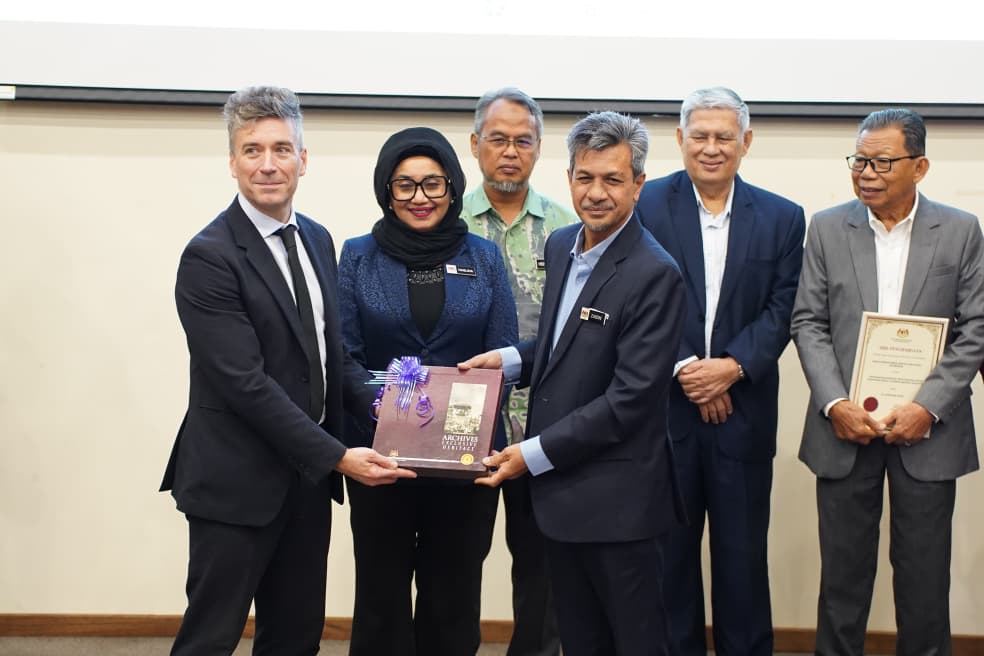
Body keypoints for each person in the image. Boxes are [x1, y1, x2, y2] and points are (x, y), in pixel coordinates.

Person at [160, 86, 415, 656]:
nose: (268, 164)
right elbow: (245, 385)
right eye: (252, 150)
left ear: (303, 158)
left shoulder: (317, 239)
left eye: (281, 149)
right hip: (236, 483)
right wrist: (338, 456)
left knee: (296, 637)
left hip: (305, 483)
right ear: (232, 162)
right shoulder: (209, 256)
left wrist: (396, 413)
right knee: (210, 638)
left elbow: (331, 356)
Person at [460, 111, 687, 656]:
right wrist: (509, 361)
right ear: (568, 178)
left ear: (638, 184)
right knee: (580, 642)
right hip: (561, 500)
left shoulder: (655, 273)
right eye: (585, 177)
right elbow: (566, 345)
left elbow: (629, 400)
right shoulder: (562, 244)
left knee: (635, 644)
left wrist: (531, 453)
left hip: (619, 507)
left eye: (613, 180)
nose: (596, 193)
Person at [791, 108, 984, 655]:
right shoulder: (828, 227)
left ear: (919, 167)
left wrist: (928, 406)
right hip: (845, 429)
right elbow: (808, 322)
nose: (866, 173)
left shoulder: (961, 230)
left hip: (929, 432)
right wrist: (835, 402)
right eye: (859, 161)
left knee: (924, 581)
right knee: (842, 580)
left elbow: (976, 328)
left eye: (881, 162)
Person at [634, 87, 805, 656]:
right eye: (700, 136)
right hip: (665, 417)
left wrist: (731, 368)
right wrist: (689, 369)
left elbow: (784, 307)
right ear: (680, 139)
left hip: (743, 417)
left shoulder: (782, 217)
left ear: (746, 142)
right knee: (668, 566)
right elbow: (638, 297)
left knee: (743, 566)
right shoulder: (645, 203)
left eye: (724, 137)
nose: (711, 147)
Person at [337, 126, 518, 655]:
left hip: (464, 459)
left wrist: (458, 426)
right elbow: (343, 356)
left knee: (453, 598)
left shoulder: (485, 257)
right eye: (405, 185)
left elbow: (502, 353)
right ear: (386, 191)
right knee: (381, 596)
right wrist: (393, 412)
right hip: (380, 458)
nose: (420, 197)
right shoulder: (357, 255)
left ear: (453, 187)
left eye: (433, 183)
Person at [461, 87, 576, 656]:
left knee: (542, 567)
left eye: (523, 142)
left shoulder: (567, 226)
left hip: (542, 425)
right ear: (475, 144)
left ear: (538, 147)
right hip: (462, 428)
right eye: (498, 140)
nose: (510, 152)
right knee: (457, 563)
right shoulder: (445, 221)